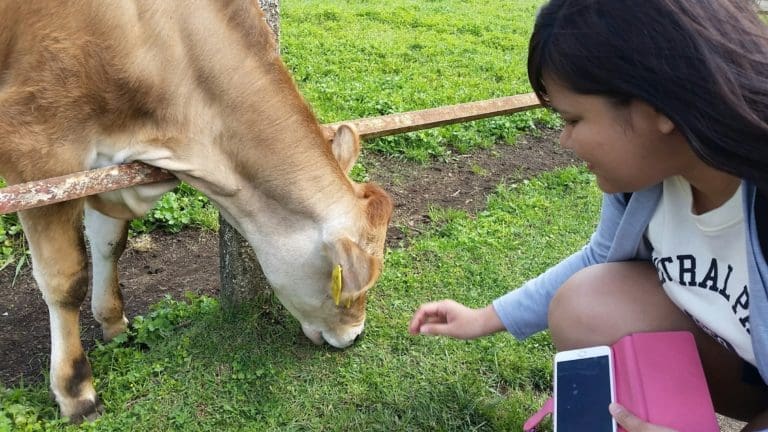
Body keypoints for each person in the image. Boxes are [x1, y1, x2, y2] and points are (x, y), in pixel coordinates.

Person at [408, 0, 768, 430]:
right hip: (745, 372)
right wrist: (485, 317)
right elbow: (599, 260)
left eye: (573, 119)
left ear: (659, 108)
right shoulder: (646, 182)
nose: (564, 140)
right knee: (588, 303)